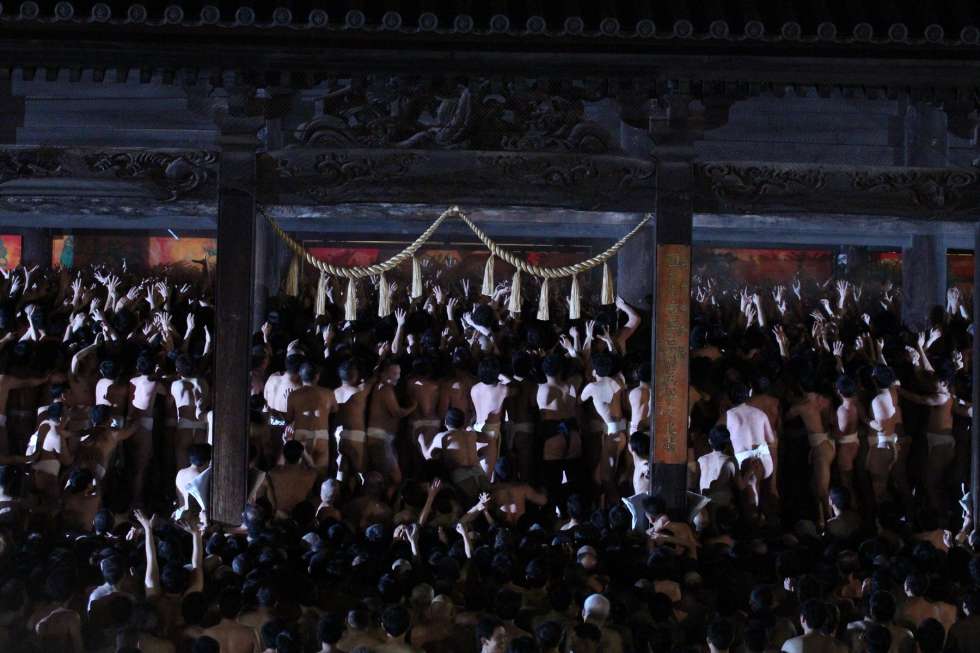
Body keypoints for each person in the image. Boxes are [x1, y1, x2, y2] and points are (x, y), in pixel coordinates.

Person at [286, 361, 337, 471]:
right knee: (320, 475)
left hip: (301, 436)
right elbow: (334, 412)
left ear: (300, 375)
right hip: (321, 434)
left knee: (302, 475)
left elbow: (289, 419)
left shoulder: (293, 395)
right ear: (317, 376)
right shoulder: (329, 394)